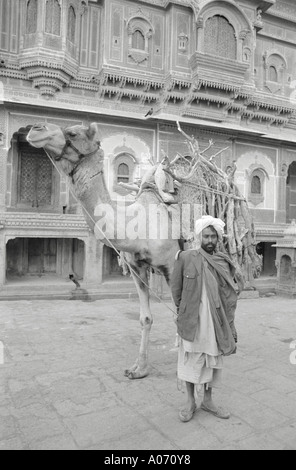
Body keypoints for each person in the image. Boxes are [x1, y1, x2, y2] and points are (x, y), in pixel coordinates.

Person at [171, 215, 238, 423]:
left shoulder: (222, 262)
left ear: (218, 239)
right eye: (206, 236)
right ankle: (190, 401)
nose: (210, 240)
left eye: (213, 237)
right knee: (190, 360)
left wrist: (229, 322)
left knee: (212, 361)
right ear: (200, 237)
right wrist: (183, 311)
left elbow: (229, 293)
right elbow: (176, 289)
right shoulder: (185, 258)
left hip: (215, 321)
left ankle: (208, 401)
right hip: (192, 320)